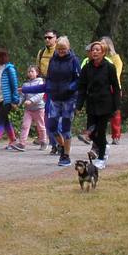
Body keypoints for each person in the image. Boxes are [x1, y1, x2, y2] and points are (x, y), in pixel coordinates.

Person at [34, 36, 80, 166]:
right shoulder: (53, 60)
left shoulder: (74, 61)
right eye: (59, 49)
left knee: (66, 128)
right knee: (51, 127)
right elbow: (48, 79)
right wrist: (28, 89)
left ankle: (66, 155)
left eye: (63, 49)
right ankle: (62, 147)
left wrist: (70, 88)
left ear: (68, 48)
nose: (61, 51)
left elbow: (79, 80)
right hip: (54, 98)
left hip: (69, 99)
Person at [77, 41, 120, 166]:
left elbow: (116, 87)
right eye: (93, 50)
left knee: (100, 132)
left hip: (106, 104)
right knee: (91, 133)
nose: (94, 52)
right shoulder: (87, 68)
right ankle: (104, 146)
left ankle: (101, 159)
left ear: (103, 52)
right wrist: (79, 105)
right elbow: (82, 87)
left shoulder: (109, 67)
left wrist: (116, 106)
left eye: (97, 50)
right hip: (91, 103)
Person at [0, 48, 22, 150]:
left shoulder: (9, 69)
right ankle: (13, 140)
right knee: (5, 120)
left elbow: (14, 85)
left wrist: (15, 100)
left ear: (0, 56)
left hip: (6, 100)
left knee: (0, 120)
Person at [34, 30, 58, 154]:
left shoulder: (60, 50)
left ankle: (61, 144)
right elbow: (38, 69)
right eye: (45, 38)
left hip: (59, 87)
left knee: (57, 117)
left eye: (50, 37)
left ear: (56, 38)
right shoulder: (41, 52)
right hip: (46, 85)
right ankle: (54, 144)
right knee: (48, 116)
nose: (47, 40)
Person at [99, 36, 124, 144]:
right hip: (101, 87)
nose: (101, 45)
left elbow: (117, 73)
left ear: (108, 45)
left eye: (103, 43)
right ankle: (98, 135)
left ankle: (116, 136)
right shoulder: (98, 58)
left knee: (115, 112)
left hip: (113, 87)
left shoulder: (116, 58)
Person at [17, 65, 46, 149]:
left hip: (39, 108)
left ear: (37, 73)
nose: (30, 73)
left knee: (40, 126)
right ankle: (22, 143)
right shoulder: (25, 84)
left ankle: (43, 141)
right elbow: (22, 96)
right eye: (29, 71)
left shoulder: (40, 82)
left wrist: (31, 100)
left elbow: (40, 94)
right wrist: (18, 103)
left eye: (32, 71)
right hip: (28, 110)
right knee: (25, 125)